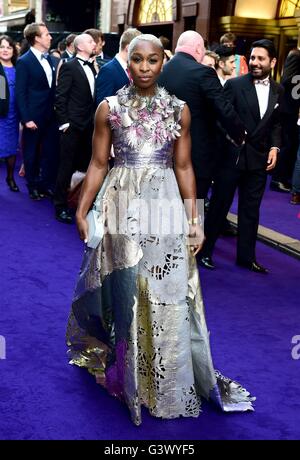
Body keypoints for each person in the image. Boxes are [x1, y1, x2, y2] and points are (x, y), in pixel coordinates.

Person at [66, 34, 255, 425]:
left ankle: (162, 374)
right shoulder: (109, 108)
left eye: (154, 60)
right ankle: (127, 368)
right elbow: (98, 163)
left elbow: (185, 167)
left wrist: (195, 219)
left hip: (164, 200)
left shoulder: (178, 109)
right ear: (128, 61)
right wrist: (83, 209)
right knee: (126, 284)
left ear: (163, 62)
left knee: (164, 287)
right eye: (138, 60)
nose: (146, 67)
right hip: (120, 199)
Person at [199, 39, 284, 273]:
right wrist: (230, 139)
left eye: (261, 59)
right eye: (253, 58)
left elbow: (276, 124)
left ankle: (246, 257)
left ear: (273, 62)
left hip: (258, 159)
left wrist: (275, 148)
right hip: (232, 157)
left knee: (250, 210)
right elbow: (219, 118)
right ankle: (204, 251)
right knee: (219, 206)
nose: (255, 63)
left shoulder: (278, 90)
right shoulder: (235, 85)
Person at [158, 30, 246, 200]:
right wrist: (240, 134)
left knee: (166, 207)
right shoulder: (203, 72)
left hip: (163, 153)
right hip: (196, 156)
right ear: (199, 49)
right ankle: (193, 227)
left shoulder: (162, 71)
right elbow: (223, 109)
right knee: (194, 207)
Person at [54, 33, 97, 224]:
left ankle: (81, 204)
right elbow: (60, 96)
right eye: (90, 41)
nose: (94, 43)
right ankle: (60, 206)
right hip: (72, 127)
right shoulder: (69, 67)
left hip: (90, 127)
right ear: (80, 47)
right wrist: (65, 124)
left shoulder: (95, 67)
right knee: (66, 166)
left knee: (87, 166)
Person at [15, 22, 60, 200]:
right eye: (47, 34)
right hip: (33, 117)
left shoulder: (49, 59)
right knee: (32, 153)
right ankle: (32, 185)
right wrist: (26, 119)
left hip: (50, 115)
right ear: (37, 39)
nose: (50, 37)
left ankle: (45, 184)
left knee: (50, 152)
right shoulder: (24, 61)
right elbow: (20, 92)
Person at [270, 49, 300, 193]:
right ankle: (277, 179)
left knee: (290, 144)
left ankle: (282, 177)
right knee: (286, 144)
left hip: (292, 109)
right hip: (287, 109)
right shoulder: (295, 55)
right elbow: (287, 80)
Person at [95, 28, 141, 106]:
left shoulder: (132, 68)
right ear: (128, 48)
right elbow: (102, 105)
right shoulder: (108, 70)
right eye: (139, 48)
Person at [0, 35, 20, 192]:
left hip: (14, 115)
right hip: (1, 114)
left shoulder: (18, 67)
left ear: (13, 50)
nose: (5, 50)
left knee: (12, 148)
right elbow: (1, 93)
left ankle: (10, 177)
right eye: (2, 47)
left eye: (8, 47)